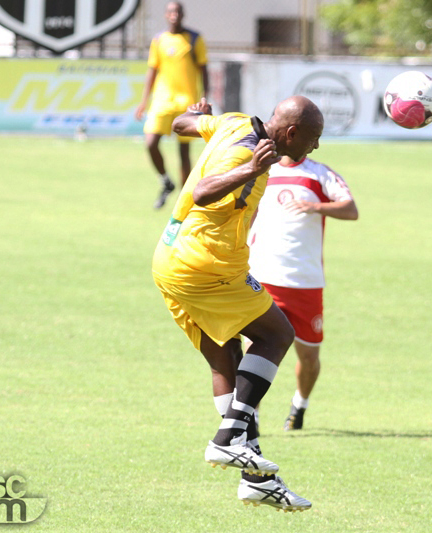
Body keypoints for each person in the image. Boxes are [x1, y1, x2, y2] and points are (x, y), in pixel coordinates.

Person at [152, 95, 324, 512]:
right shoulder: (254, 158)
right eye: (314, 139)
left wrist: (197, 115)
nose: (315, 148)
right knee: (277, 333)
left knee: (226, 357)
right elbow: (204, 192)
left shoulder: (231, 122)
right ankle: (228, 440)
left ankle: (255, 480)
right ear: (290, 134)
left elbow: (179, 125)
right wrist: (251, 168)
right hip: (207, 267)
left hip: (170, 259)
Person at [248, 156, 358, 431]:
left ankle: (300, 405)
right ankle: (251, 415)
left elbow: (351, 209)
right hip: (263, 276)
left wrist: (315, 206)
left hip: (305, 281)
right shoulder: (263, 169)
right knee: (253, 349)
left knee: (308, 357)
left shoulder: (320, 174)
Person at [134, 1, 209, 210]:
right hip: (162, 102)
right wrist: (143, 101)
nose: (174, 15)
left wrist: (204, 97)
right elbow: (152, 70)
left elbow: (204, 69)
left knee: (183, 152)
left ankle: (183, 202)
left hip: (187, 102)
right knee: (150, 143)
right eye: (171, 11)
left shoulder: (194, 39)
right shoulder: (159, 40)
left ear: (183, 15)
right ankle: (165, 181)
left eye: (178, 11)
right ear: (166, 16)